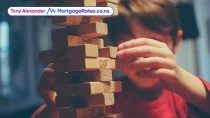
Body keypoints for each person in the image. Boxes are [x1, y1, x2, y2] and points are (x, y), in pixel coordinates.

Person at [31, 0, 210, 118]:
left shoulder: (188, 96)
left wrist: (178, 77)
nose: (142, 56)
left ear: (176, 42)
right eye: (128, 43)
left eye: (154, 44)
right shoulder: (105, 96)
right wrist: (56, 106)